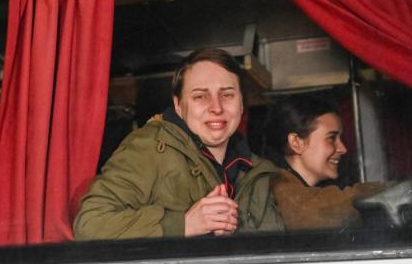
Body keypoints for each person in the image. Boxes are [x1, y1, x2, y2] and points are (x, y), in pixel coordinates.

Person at [73, 48, 283, 240]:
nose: (216, 107)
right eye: (200, 96)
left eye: (227, 94)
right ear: (179, 106)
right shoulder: (149, 148)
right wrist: (183, 224)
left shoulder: (258, 170)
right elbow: (90, 224)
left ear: (241, 105)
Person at [264, 95, 386, 231]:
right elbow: (318, 211)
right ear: (296, 142)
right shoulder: (275, 187)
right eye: (331, 138)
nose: (343, 149)